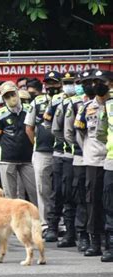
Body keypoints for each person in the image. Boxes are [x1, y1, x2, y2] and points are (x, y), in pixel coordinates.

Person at [75, 70, 109, 257]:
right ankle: (95, 240)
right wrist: (90, 150)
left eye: (100, 82)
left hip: (111, 158)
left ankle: (109, 239)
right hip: (94, 159)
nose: (96, 85)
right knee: (93, 201)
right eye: (94, 83)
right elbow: (79, 135)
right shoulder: (86, 107)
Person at [25, 71, 61, 238]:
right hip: (42, 152)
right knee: (42, 188)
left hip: (63, 151)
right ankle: (45, 223)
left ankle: (61, 224)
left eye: (54, 83)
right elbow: (29, 127)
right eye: (48, 83)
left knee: (62, 189)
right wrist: (36, 145)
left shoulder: (65, 101)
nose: (51, 86)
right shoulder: (37, 101)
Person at [0, 81, 37, 202]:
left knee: (34, 192)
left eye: (13, 94)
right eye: (7, 96)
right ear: (3, 98)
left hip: (28, 157)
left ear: (17, 92)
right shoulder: (0, 114)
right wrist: (8, 146)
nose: (11, 98)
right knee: (10, 195)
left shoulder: (30, 109)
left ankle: (39, 219)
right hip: (6, 158)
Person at [64, 70, 94, 252]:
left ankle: (102, 237)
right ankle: (83, 235)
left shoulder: (108, 104)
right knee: (81, 199)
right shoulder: (75, 105)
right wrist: (85, 149)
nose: (88, 86)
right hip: (81, 158)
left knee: (100, 201)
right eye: (84, 82)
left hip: (103, 159)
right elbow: (67, 132)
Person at [48, 72, 80, 248]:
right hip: (65, 153)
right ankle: (61, 229)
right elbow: (53, 127)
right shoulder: (59, 101)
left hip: (88, 155)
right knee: (61, 191)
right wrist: (71, 144)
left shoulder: (84, 100)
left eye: (74, 82)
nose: (71, 86)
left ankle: (81, 232)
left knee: (81, 195)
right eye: (67, 83)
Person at [96, 70, 113, 262]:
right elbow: (101, 133)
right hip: (111, 161)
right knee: (109, 205)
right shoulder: (107, 106)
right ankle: (111, 246)